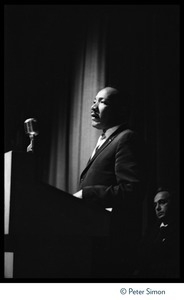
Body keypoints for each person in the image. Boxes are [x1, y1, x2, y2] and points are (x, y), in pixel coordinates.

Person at [73, 86, 146, 278]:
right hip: (93, 238)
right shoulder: (106, 139)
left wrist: (87, 194)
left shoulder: (126, 138)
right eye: (93, 101)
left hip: (112, 243)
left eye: (102, 102)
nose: (93, 107)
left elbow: (132, 190)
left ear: (120, 109)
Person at [134, 187, 180, 278]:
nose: (157, 208)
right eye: (155, 204)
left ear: (173, 204)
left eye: (162, 202)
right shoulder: (151, 231)